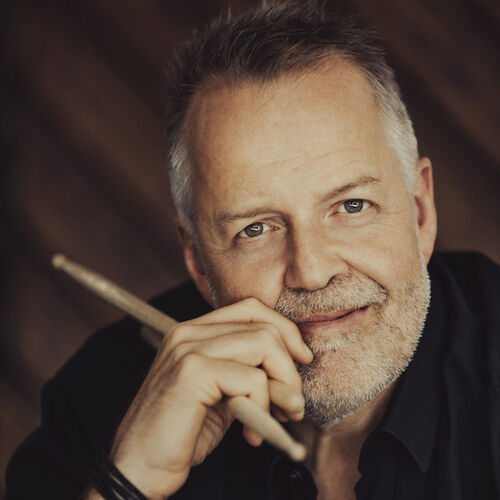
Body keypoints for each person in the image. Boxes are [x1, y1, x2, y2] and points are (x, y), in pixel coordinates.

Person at [6, 1, 500, 499]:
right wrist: (127, 483)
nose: (311, 271)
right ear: (198, 261)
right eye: (256, 229)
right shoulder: (99, 399)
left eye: (352, 206)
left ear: (419, 213)